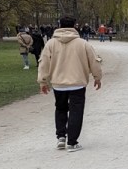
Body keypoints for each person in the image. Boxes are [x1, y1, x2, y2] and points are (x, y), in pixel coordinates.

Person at [37, 15, 103, 152]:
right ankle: (72, 142)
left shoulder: (51, 44)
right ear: (74, 26)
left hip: (58, 83)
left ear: (59, 25)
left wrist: (43, 81)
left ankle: (61, 136)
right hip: (77, 82)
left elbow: (44, 63)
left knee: (60, 109)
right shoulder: (82, 43)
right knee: (76, 111)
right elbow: (94, 61)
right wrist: (97, 77)